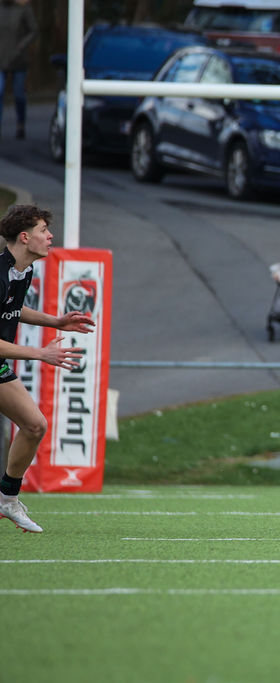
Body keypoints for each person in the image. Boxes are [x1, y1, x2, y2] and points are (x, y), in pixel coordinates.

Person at [0, 205, 95, 533]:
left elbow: (13, 309)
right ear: (25, 237)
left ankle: (7, 499)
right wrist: (40, 353)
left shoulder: (22, 271)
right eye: (43, 230)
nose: (50, 236)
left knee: (34, 425)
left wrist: (56, 321)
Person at [0, 0, 37, 140]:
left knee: (19, 95)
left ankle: (20, 124)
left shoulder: (23, 8)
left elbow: (33, 30)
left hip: (18, 59)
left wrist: (21, 46)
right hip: (1, 57)